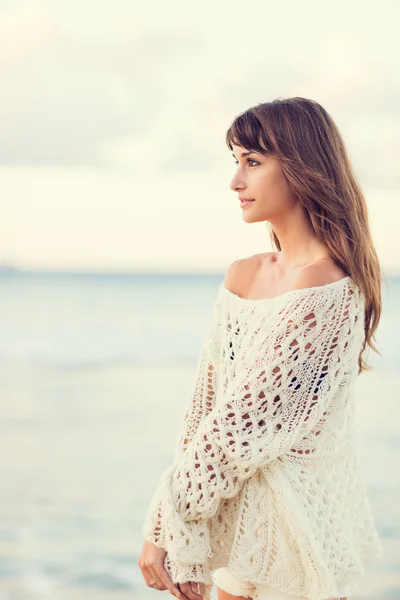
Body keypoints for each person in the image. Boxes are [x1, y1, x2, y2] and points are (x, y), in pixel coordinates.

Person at [138, 97, 383, 600]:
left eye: (253, 162)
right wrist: (190, 539)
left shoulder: (329, 292)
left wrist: (166, 521)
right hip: (238, 535)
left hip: (296, 547)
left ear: (301, 168)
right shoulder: (243, 275)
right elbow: (205, 413)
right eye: (236, 161)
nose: (235, 181)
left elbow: (240, 427)